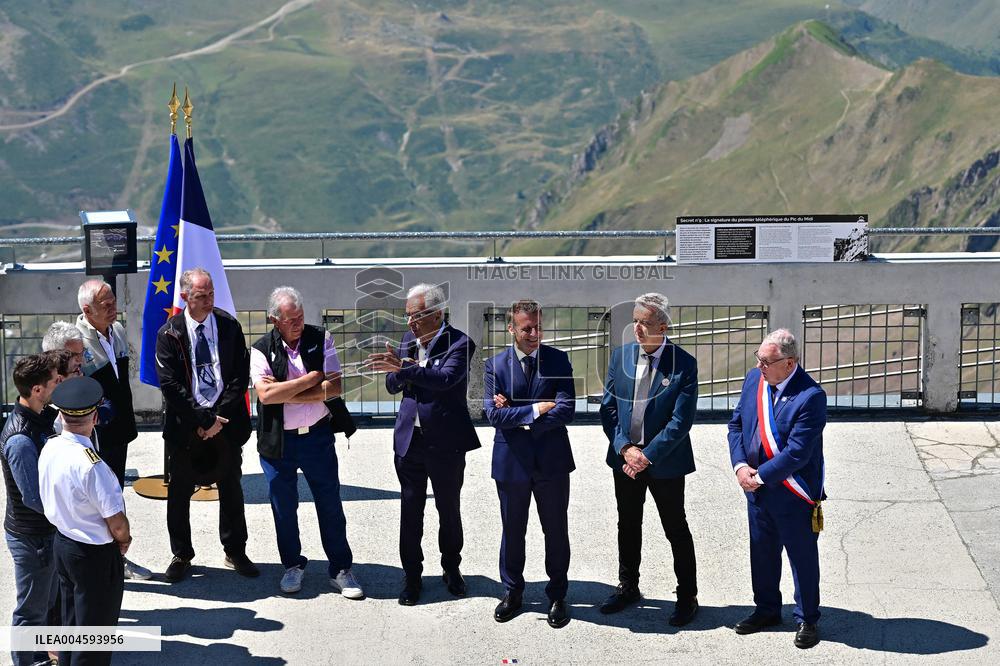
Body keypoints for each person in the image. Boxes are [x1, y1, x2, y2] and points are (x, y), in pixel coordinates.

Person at [366, 283, 481, 606]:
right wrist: (407, 370)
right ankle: (412, 577)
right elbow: (391, 385)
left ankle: (451, 568)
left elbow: (446, 380)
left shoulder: (459, 342)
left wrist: (406, 369)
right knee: (410, 512)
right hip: (409, 442)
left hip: (446, 443)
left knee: (449, 510)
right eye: (407, 317)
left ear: (437, 314)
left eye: (416, 317)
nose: (410, 324)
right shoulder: (407, 341)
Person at [250, 286, 363, 598]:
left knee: (330, 503)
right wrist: (311, 380)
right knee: (283, 507)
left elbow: (336, 385)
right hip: (278, 442)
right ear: (274, 320)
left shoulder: (321, 337)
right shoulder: (260, 349)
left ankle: (341, 569)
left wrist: (288, 392)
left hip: (317, 436)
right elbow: (265, 396)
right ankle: (292, 566)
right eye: (290, 320)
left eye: (299, 317)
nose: (297, 324)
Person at [598, 292, 700, 627]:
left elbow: (680, 422)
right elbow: (609, 409)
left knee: (676, 529)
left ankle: (687, 597)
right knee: (627, 525)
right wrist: (626, 448)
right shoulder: (621, 356)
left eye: (646, 323)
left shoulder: (684, 364)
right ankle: (629, 586)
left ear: (664, 326)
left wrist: (647, 456)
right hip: (625, 459)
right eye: (636, 321)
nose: (638, 329)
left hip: (665, 462)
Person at [727, 328, 827, 649]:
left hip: (793, 492)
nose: (760, 367)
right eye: (759, 359)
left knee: (801, 558)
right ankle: (767, 609)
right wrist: (741, 467)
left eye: (767, 362)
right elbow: (737, 426)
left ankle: (807, 618)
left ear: (790, 362)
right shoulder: (754, 380)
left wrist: (759, 476)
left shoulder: (811, 396)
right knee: (762, 552)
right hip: (756, 489)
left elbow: (798, 452)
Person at [155, 267, 256, 582]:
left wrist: (218, 417)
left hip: (225, 423)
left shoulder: (228, 326)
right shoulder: (169, 333)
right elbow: (170, 384)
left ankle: (235, 550)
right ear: (185, 297)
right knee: (180, 492)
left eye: (211, 293)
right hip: (187, 427)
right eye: (201, 296)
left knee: (231, 488)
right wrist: (201, 418)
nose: (209, 300)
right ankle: (182, 554)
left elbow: (240, 375)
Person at [484, 301, 575, 628]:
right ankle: (513, 591)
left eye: (538, 327)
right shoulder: (495, 366)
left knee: (556, 529)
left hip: (552, 460)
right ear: (511, 329)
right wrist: (537, 410)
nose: (534, 333)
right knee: (512, 529)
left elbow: (566, 410)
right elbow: (492, 415)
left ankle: (558, 594)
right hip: (512, 461)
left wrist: (516, 414)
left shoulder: (558, 360)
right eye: (526, 328)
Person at [38, 376, 131, 666]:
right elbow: (116, 522)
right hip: (94, 555)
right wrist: (124, 540)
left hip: (64, 544)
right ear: (94, 416)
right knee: (94, 635)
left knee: (71, 622)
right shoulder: (92, 464)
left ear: (60, 414)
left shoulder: (50, 447)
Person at [75, 280, 152, 581]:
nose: (113, 308)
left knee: (115, 496)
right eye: (105, 305)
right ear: (86, 310)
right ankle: (100, 562)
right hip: (95, 434)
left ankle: (117, 559)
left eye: (113, 301)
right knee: (96, 502)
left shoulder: (117, 331)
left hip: (119, 431)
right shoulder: (77, 340)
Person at [1, 353, 62, 666]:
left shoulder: (43, 416)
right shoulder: (21, 439)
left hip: (46, 534)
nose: (58, 383)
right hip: (33, 538)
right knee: (31, 610)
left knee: (47, 602)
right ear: (37, 389)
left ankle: (39, 655)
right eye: (54, 380)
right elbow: (33, 499)